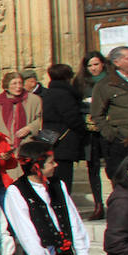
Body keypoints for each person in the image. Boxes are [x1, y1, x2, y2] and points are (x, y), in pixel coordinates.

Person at [40, 63, 86, 192]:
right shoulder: (64, 94)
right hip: (64, 143)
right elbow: (72, 118)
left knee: (54, 179)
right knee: (63, 181)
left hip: (50, 139)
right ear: (68, 77)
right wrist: (82, 131)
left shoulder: (48, 93)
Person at [80, 50, 110, 217]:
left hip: (107, 129)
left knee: (113, 166)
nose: (93, 68)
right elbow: (79, 104)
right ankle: (98, 205)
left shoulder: (111, 81)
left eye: (96, 64)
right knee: (93, 168)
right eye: (89, 65)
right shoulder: (83, 84)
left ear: (103, 64)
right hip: (90, 132)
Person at [0, 70, 42, 153]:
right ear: (7, 86)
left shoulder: (34, 100)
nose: (18, 86)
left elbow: (40, 118)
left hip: (27, 143)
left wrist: (30, 128)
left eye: (20, 83)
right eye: (14, 83)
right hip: (6, 144)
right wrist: (2, 136)